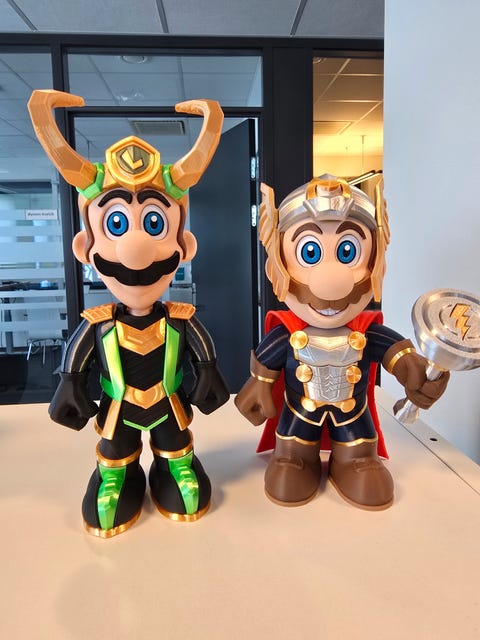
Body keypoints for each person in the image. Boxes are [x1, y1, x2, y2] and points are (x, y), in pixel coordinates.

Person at [28, 90, 229, 536]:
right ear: (86, 247)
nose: (135, 248)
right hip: (117, 407)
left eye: (154, 223)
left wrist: (209, 372)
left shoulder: (180, 317)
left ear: (184, 245)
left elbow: (202, 351)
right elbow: (76, 360)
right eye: (116, 224)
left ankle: (174, 466)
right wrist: (69, 383)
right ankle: (118, 474)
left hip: (168, 404)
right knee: (115, 452)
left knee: (177, 453)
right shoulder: (98, 323)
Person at [235, 175, 449, 510]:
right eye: (309, 252)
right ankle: (294, 458)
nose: (331, 280)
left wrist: (417, 373)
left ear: (374, 260)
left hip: (353, 415)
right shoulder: (286, 335)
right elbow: (266, 364)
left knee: (365, 470)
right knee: (290, 467)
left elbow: (398, 355)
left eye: (348, 251)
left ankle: (355, 460)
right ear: (279, 263)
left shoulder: (367, 333)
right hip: (299, 414)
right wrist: (259, 384)